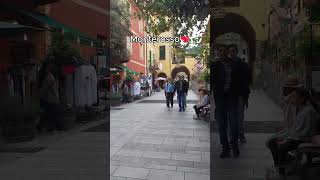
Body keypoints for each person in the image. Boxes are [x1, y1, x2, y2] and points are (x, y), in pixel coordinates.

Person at [266, 88, 319, 178]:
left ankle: (281, 171)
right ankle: (282, 166)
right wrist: (282, 137)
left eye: (294, 97)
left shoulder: (308, 111)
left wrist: (286, 139)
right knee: (272, 141)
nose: (292, 99)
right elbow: (293, 128)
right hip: (296, 136)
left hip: (302, 138)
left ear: (302, 99)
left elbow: (303, 132)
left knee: (282, 147)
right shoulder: (301, 109)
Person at [210, 44, 245, 158]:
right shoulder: (215, 65)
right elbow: (213, 82)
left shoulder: (235, 64)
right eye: (218, 51)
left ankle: (234, 146)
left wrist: (242, 96)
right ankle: (225, 148)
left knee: (233, 122)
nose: (220, 53)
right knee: (222, 124)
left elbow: (241, 80)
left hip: (232, 97)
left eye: (222, 50)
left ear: (226, 52)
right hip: (220, 99)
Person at [228, 44, 251, 143]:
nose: (231, 53)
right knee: (231, 116)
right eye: (230, 51)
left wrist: (246, 97)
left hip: (240, 95)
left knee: (240, 116)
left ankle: (241, 134)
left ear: (236, 52)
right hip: (229, 95)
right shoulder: (226, 64)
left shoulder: (243, 65)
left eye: (233, 51)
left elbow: (246, 82)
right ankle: (232, 135)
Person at [38, 60, 61, 132]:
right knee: (50, 114)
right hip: (52, 98)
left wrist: (41, 95)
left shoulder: (49, 77)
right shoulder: (52, 77)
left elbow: (45, 88)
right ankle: (48, 127)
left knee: (47, 113)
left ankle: (45, 126)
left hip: (49, 98)